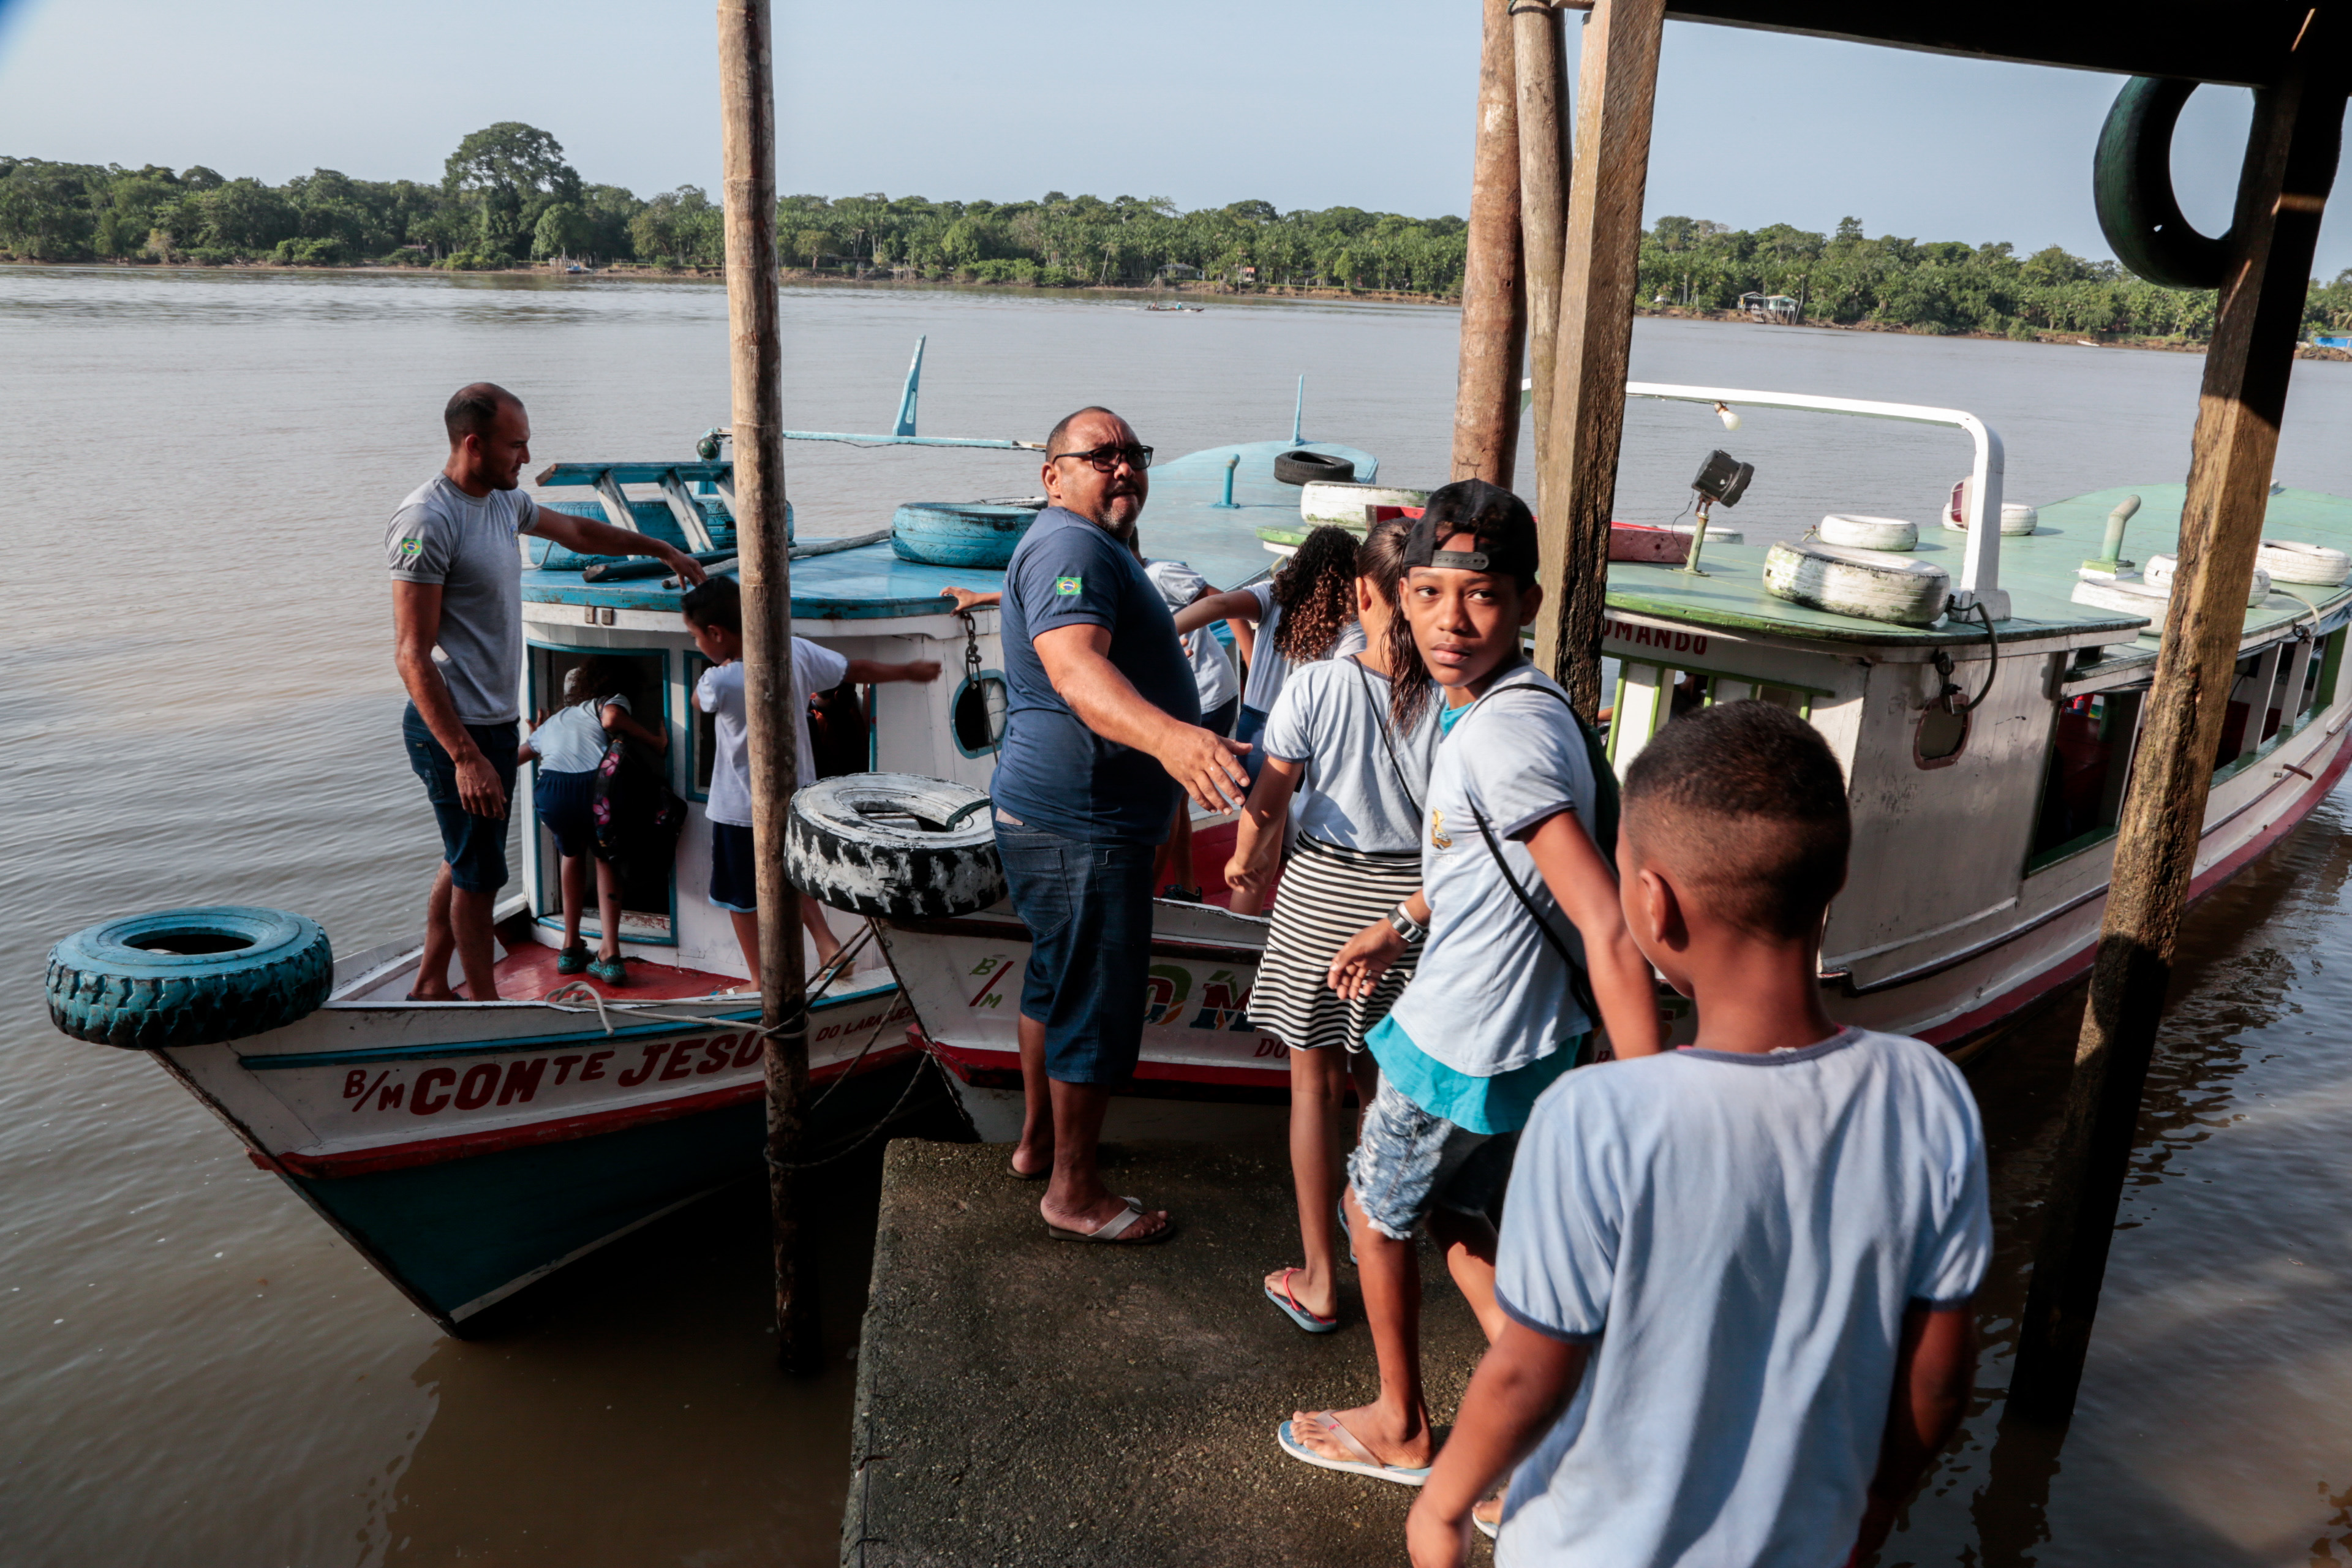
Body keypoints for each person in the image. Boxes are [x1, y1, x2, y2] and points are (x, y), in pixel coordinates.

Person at [1404, 701, 1988, 1568]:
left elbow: (1531, 1370)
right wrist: (1868, 1516)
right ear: (1836, 874)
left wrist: (1443, 1508)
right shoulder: (1930, 1095)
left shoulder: (1595, 1117)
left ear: (1652, 903)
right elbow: (1937, 1377)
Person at [1280, 480, 1664, 1484]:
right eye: (1431, 593)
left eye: (1483, 595)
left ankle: (1402, 1425)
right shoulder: (1513, 705)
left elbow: (1606, 922)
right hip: (1516, 1029)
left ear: (1527, 606)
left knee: (1374, 1213)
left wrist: (1655, 1102)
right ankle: (1551, 1395)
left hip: (1464, 1040)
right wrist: (1395, 922)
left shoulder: (1499, 735)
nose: (1452, 621)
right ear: (1400, 597)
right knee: (1455, 1218)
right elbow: (1479, 865)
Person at [992, 405, 1250, 1244]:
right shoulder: (1070, 546)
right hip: (1083, 821)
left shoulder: (1089, 546)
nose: (1123, 466)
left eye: (1134, 453)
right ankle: (1075, 1193)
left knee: (1056, 982)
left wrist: (1200, 735)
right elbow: (1075, 669)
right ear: (1053, 474)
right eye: (1099, 455)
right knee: (1096, 1003)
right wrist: (1173, 738)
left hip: (1060, 812)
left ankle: (1038, 1146)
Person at [390, 382, 706, 1003]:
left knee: (464, 859)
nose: (527, 459)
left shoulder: (505, 503)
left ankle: (431, 980)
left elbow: (581, 534)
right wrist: (465, 757)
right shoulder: (427, 520)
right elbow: (410, 655)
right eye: (517, 445)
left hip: (494, 722)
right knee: (480, 874)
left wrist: (660, 546)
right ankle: (483, 1004)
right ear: (473, 444)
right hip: (454, 727)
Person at [1235, 516, 1442, 1333]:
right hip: (1415, 910)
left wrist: (1247, 863)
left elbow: (1269, 797)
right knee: (1381, 1087)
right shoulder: (1457, 695)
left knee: (1312, 1085)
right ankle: (1376, 1241)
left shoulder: (1317, 685)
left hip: (1323, 892)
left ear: (1361, 591)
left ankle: (1320, 1282)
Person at [681, 576, 938, 984]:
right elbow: (854, 669)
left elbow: (699, 702)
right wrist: (908, 670)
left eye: (696, 637)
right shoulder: (794, 650)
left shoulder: (720, 680)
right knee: (790, 874)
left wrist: (714, 670)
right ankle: (826, 943)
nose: (697, 645)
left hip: (737, 811)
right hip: (791, 798)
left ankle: (758, 980)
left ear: (716, 633)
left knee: (740, 900)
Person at [1173, 524, 1365, 795]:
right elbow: (1353, 679)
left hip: (1255, 729)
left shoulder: (1272, 594)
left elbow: (1219, 605)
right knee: (1299, 823)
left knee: (1259, 820)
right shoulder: (1352, 620)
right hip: (1309, 732)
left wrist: (1164, 633)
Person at [518, 657, 669, 986]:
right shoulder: (608, 701)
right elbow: (614, 718)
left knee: (570, 855)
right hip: (593, 792)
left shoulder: (556, 719)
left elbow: (519, 756)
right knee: (606, 860)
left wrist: (543, 738)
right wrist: (655, 742)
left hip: (551, 793)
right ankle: (610, 955)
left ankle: (570, 948)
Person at [1142, 557, 1242, 901]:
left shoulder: (1159, 573)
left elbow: (1222, 600)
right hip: (1189, 697)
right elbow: (1056, 584)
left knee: (1168, 801)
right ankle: (1185, 887)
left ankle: (1146, 896)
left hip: (1206, 697)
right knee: (1177, 801)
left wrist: (1252, 658)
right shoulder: (1119, 580)